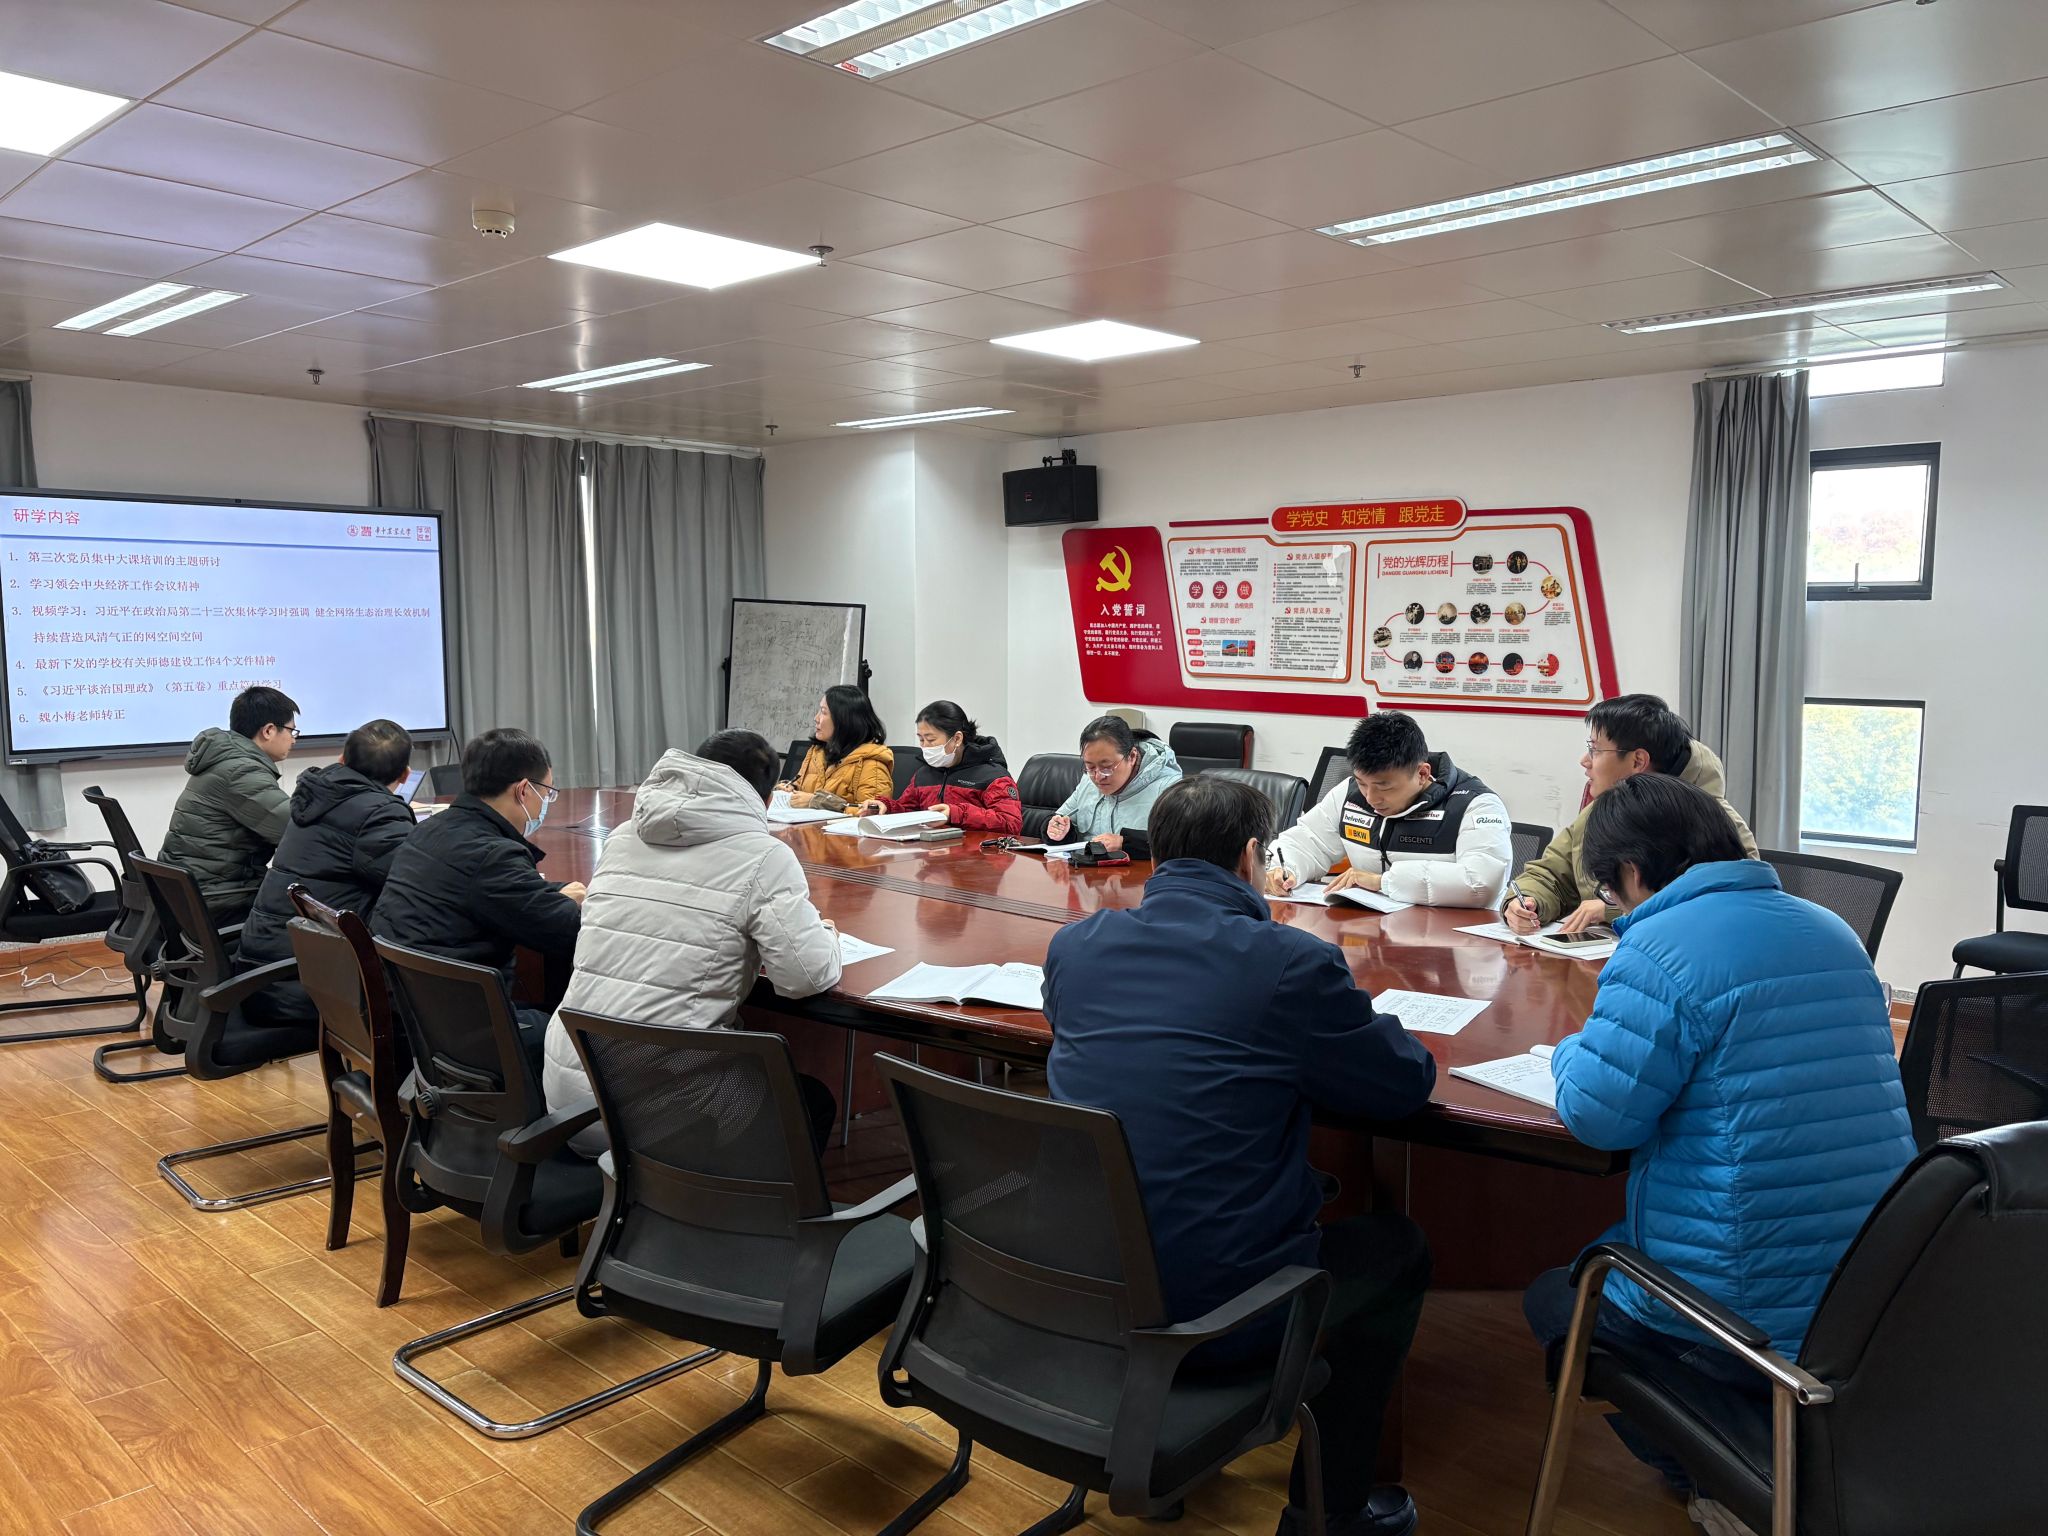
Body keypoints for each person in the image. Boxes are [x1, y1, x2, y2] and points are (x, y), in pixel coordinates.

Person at [1045, 775, 1437, 1536]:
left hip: (1084, 1286)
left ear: (1158, 854)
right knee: (1397, 1249)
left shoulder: (1076, 945)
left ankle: (1171, 1450)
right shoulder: (1289, 963)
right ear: (1252, 856)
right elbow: (1401, 1086)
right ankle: (1329, 1512)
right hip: (1219, 1317)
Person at [1525, 774, 1914, 1531]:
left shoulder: (1659, 950)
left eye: (1608, 889)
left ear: (1630, 871)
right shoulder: (1831, 928)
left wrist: (1567, 1051)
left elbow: (1599, 1117)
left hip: (1744, 1305)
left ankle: (1721, 1480)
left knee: (1556, 1297)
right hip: (1876, 1280)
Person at [543, 730, 843, 1155]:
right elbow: (805, 977)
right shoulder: (763, 856)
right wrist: (827, 936)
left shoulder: (623, 836)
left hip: (567, 1104)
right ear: (763, 799)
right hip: (655, 1117)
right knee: (810, 1102)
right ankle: (714, 1197)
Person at [371, 727, 585, 1064]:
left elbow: (499, 893)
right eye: (547, 792)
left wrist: (556, 894)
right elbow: (567, 931)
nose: (546, 803)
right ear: (524, 790)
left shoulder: (433, 829)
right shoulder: (492, 854)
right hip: (454, 1034)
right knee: (591, 1042)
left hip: (408, 1012)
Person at [1504, 694, 1758, 936]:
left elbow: (1730, 906)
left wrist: (1611, 909)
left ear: (1637, 761)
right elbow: (1552, 873)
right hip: (1601, 955)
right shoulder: (1601, 811)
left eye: (1595, 750)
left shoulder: (1715, 822)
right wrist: (1527, 900)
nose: (1585, 761)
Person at [235, 719, 417, 1025]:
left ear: (342, 760)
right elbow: (418, 883)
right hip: (302, 986)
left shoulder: (316, 796)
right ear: (405, 775)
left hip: (263, 971)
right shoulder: (377, 815)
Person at [1266, 710, 1511, 908]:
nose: (1371, 798)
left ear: (1422, 773)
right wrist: (1283, 868)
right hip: (1370, 930)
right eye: (1362, 783)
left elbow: (1482, 883)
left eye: (1384, 787)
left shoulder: (1476, 805)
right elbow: (1308, 842)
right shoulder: (1350, 794)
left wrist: (1383, 882)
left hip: (1454, 940)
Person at [159, 684, 298, 924]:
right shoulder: (241, 770)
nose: (294, 740)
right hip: (219, 899)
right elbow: (293, 830)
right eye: (291, 731)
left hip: (193, 892)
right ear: (268, 730)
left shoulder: (228, 759)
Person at [856, 699, 1020, 834]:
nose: (925, 746)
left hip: (976, 858)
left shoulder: (993, 777)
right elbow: (909, 811)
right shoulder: (924, 774)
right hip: (932, 855)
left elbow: (1010, 823)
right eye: (921, 739)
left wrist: (955, 814)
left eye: (931, 739)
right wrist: (887, 807)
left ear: (957, 739)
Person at [1043, 715, 1181, 856]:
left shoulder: (1169, 788)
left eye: (1107, 767)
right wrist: (1058, 830)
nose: (1098, 777)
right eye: (1090, 767)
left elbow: (1177, 844)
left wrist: (1125, 843)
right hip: (1085, 868)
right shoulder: (1089, 781)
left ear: (1132, 756)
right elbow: (1062, 817)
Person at [781, 685, 893, 813]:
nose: (816, 718)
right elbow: (800, 785)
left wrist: (819, 802)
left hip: (837, 827)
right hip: (805, 824)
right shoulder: (817, 752)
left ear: (843, 720)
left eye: (823, 712)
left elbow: (871, 813)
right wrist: (790, 788)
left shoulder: (872, 764)